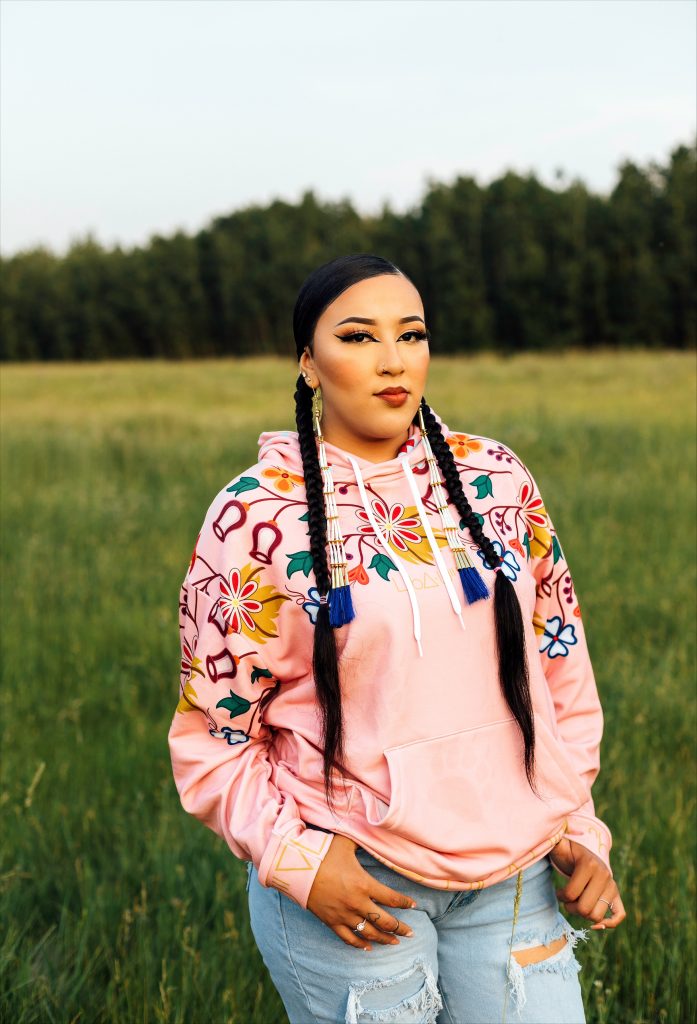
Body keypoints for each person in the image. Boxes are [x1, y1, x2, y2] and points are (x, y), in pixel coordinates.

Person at [168, 253, 625, 1024]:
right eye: (356, 337)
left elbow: (559, 669)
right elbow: (216, 736)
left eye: (410, 335)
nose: (391, 361)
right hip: (356, 880)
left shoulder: (496, 480)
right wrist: (299, 860)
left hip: (516, 877)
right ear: (307, 363)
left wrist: (575, 824)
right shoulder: (254, 517)